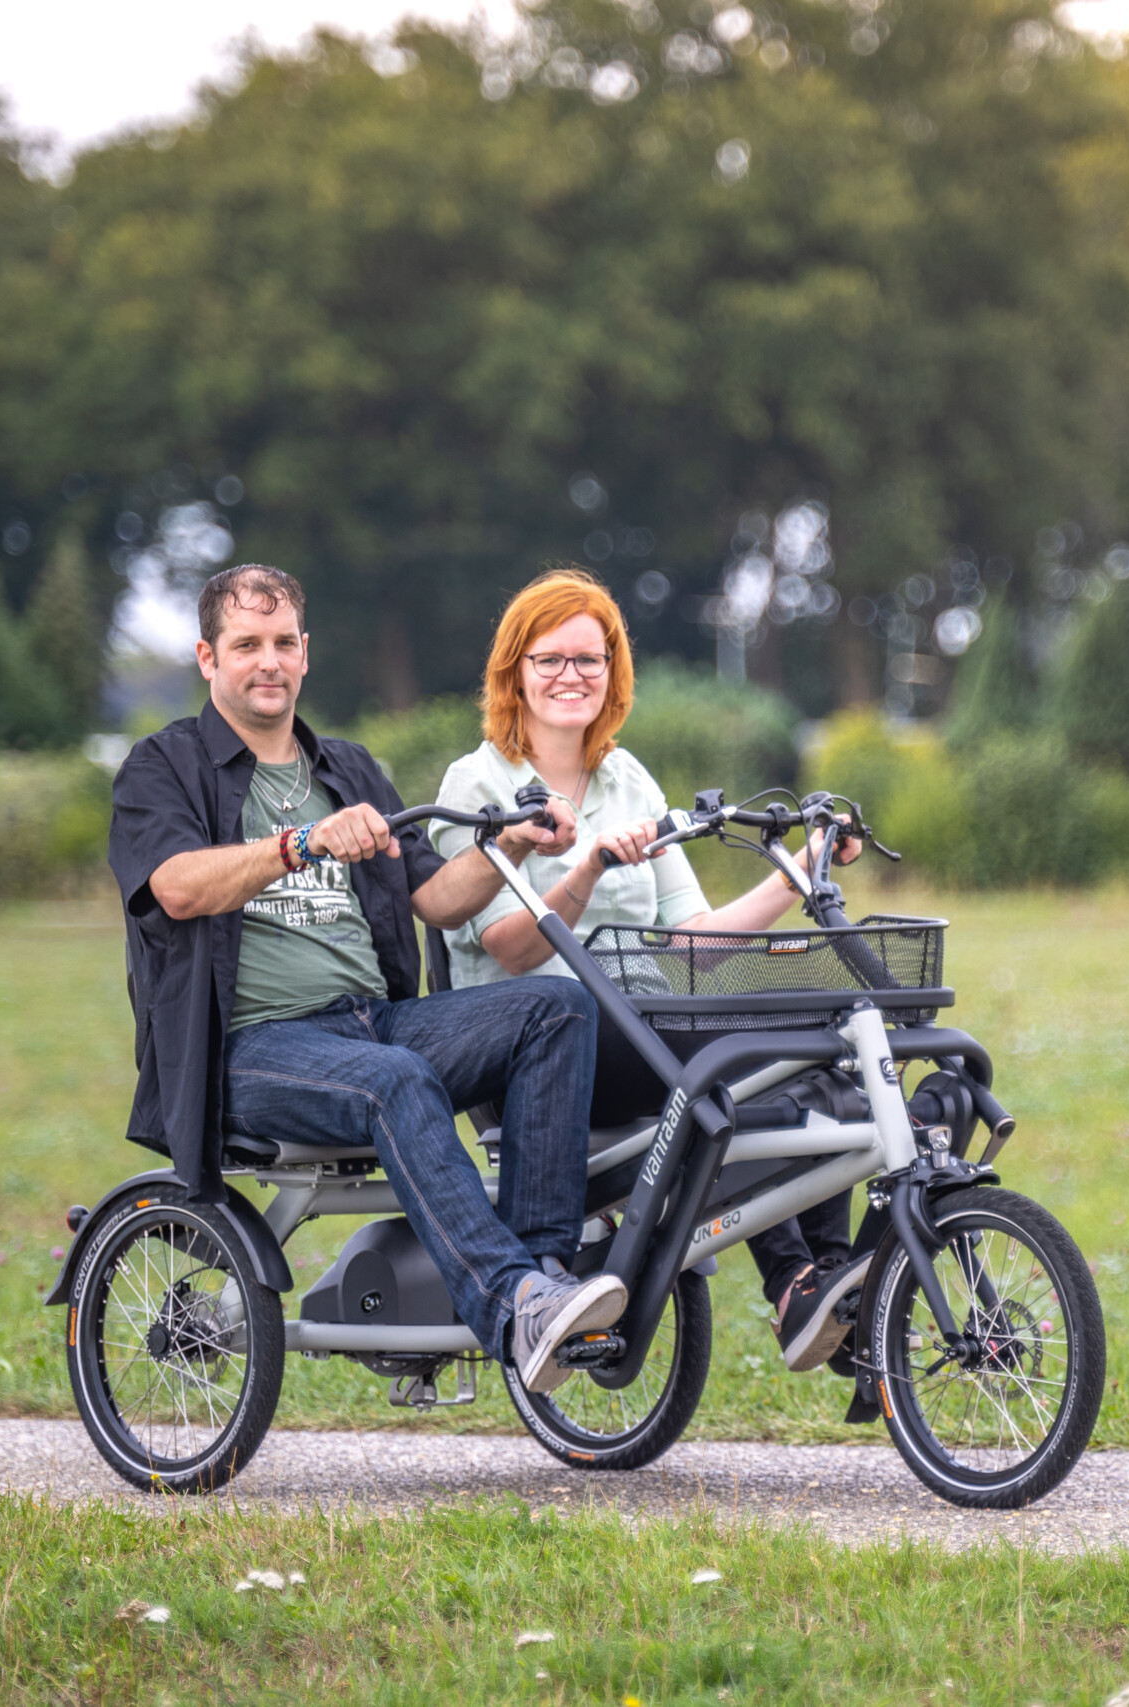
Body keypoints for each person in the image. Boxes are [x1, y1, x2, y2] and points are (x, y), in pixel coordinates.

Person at [107, 563, 625, 1396]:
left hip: (370, 1022)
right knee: (395, 1081)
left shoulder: (347, 768)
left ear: (306, 653)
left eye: (283, 643)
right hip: (247, 1049)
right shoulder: (162, 766)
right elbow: (174, 886)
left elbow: (439, 897)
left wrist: (514, 844)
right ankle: (511, 1300)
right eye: (246, 645)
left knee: (557, 1006)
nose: (267, 661)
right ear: (208, 657)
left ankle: (543, 1278)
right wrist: (300, 844)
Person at [433, 567, 867, 1375]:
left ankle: (818, 1279)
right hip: (531, 1049)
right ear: (515, 672)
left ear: (613, 672)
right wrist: (588, 867)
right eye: (550, 658)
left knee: (807, 1038)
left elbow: (695, 939)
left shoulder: (629, 779)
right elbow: (506, 946)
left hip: (641, 1027)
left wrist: (798, 871)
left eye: (589, 660)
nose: (571, 675)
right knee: (724, 1062)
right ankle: (794, 1282)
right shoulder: (480, 781)